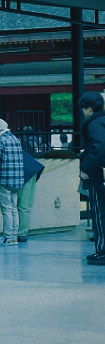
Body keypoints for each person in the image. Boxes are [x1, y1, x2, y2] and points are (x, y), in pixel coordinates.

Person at [0, 118, 24, 245]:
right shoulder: (15, 139)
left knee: (6, 209)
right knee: (14, 208)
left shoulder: (1, 140)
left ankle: (8, 236)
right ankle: (14, 235)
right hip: (17, 180)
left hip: (5, 179)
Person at [78, 91, 105, 265]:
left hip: (97, 175)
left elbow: (98, 148)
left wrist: (85, 167)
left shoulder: (94, 123)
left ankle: (101, 251)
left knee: (99, 211)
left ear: (89, 109)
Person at [17, 151, 45, 243]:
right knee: (26, 205)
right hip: (33, 169)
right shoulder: (10, 140)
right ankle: (23, 232)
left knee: (23, 206)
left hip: (25, 171)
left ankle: (21, 234)